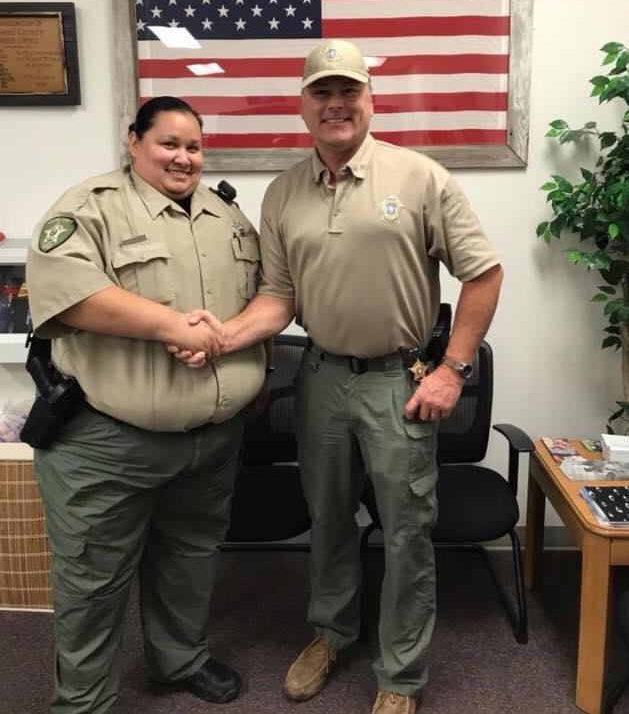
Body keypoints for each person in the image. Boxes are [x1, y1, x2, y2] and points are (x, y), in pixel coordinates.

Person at [177, 39, 504, 714]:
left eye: (347, 91)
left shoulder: (418, 177)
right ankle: (330, 633)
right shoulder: (284, 191)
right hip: (322, 376)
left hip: (399, 380)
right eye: (321, 92)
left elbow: (484, 272)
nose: (335, 104)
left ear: (368, 100)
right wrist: (223, 336)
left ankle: (401, 674)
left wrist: (452, 369)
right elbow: (277, 296)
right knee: (326, 517)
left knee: (406, 526)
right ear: (302, 104)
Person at [25, 96, 264, 714]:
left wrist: (217, 336)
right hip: (109, 442)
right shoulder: (89, 209)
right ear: (134, 142)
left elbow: (258, 301)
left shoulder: (228, 219)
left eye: (193, 146)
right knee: (92, 584)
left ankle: (178, 663)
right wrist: (170, 327)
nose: (183, 157)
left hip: (211, 440)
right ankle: (83, 702)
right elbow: (71, 299)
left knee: (189, 560)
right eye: (168, 143)